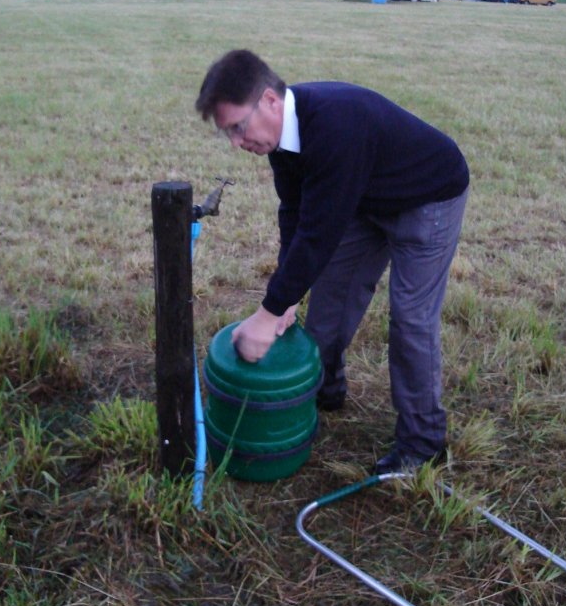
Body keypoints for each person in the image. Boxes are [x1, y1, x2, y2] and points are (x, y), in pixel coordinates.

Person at [195, 49, 469, 473]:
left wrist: (268, 315)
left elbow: (319, 234)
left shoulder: (334, 126)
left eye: (238, 127)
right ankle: (324, 389)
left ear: (270, 101)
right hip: (364, 196)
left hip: (427, 196)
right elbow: (295, 215)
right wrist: (286, 298)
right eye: (226, 133)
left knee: (411, 319)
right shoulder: (281, 140)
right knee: (331, 298)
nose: (236, 142)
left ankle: (422, 443)